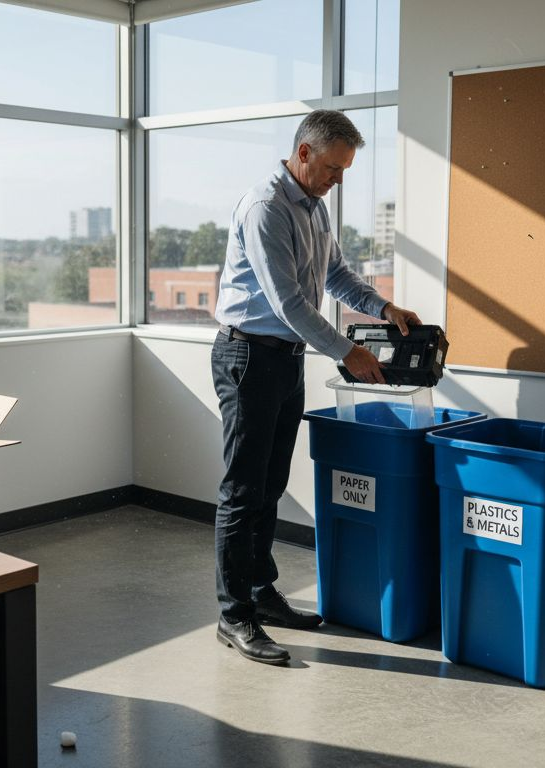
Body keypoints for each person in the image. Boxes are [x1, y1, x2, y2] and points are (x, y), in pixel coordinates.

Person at [211, 109, 421, 665]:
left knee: (271, 483)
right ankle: (234, 616)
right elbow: (287, 302)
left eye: (346, 169)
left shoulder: (313, 208)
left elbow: (334, 276)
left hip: (285, 358)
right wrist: (348, 351)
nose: (339, 179)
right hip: (247, 357)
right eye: (333, 168)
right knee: (242, 492)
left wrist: (382, 307)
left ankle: (261, 593)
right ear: (303, 153)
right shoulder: (265, 208)